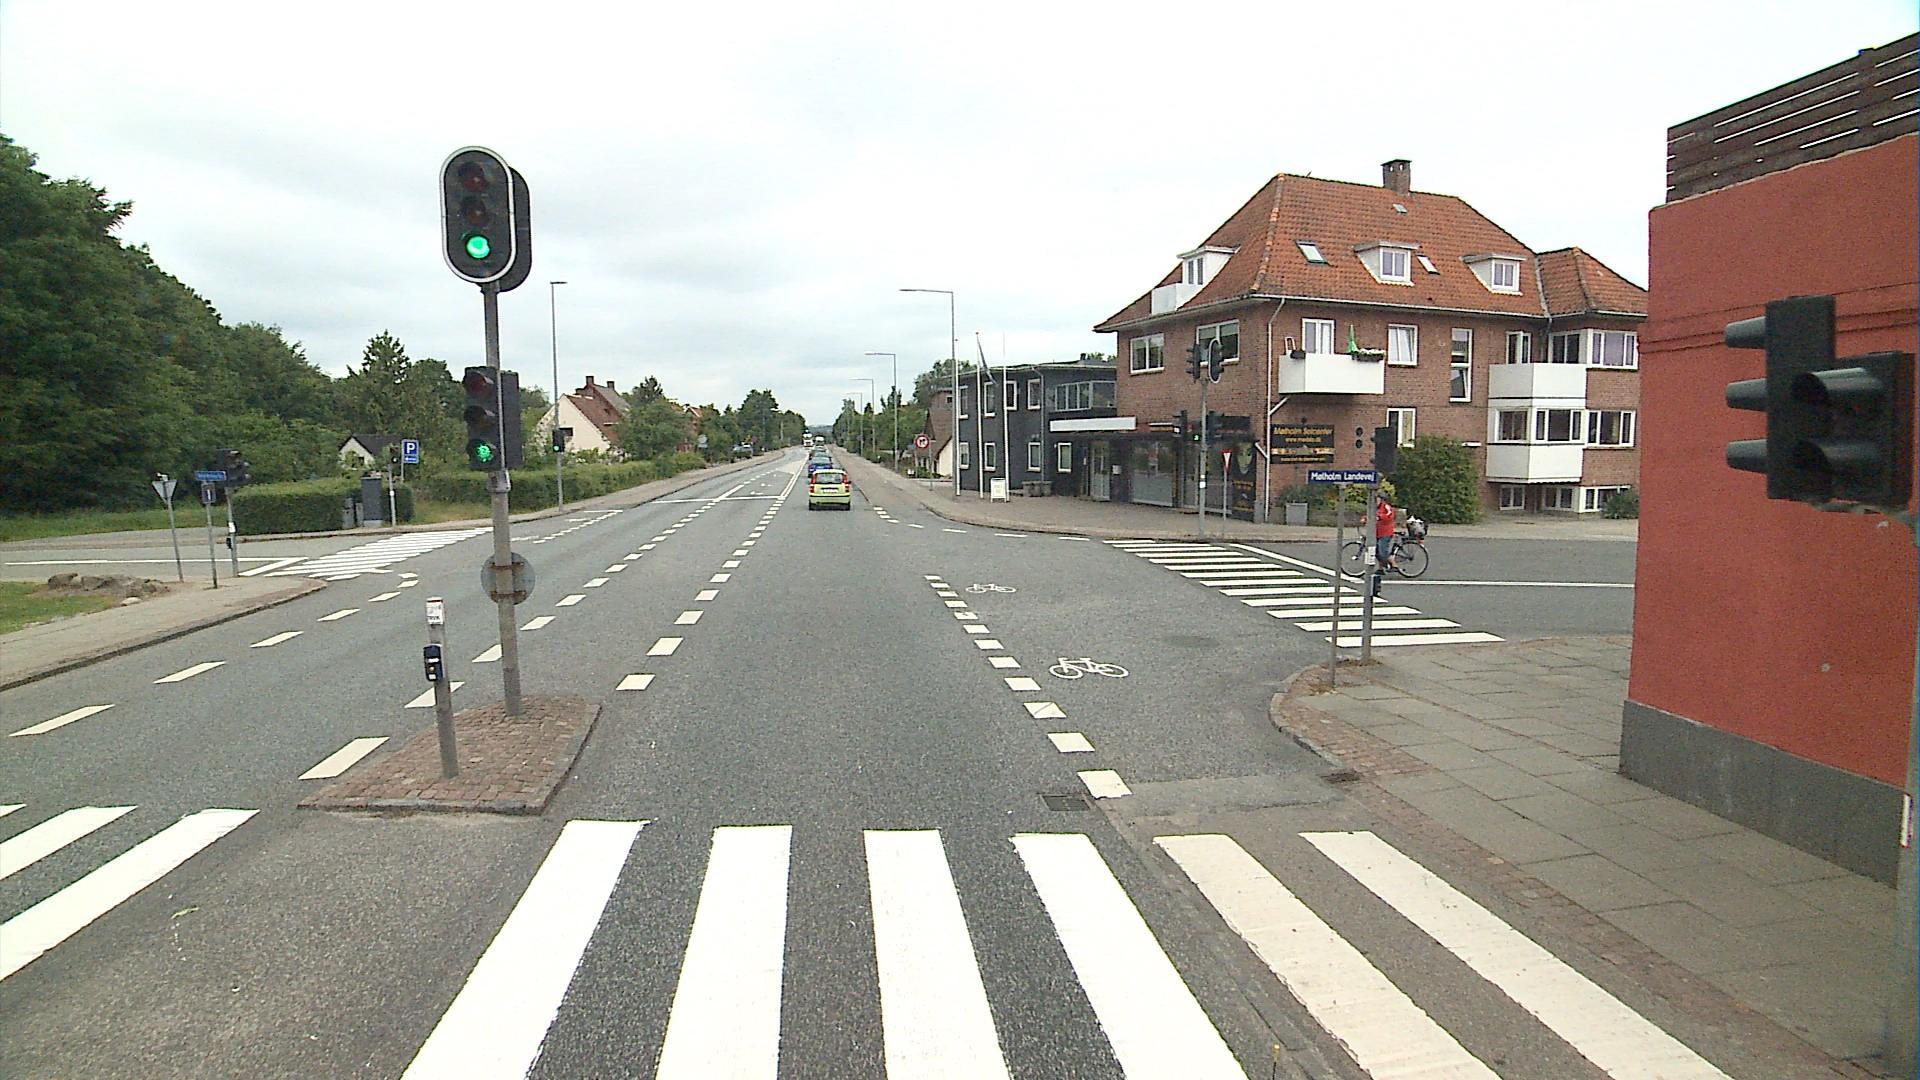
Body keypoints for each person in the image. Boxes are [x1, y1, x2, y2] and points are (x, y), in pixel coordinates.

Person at [1372, 496, 1396, 599]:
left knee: (1382, 551)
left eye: (1377, 499)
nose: (1375, 501)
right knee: (1375, 551)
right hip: (1377, 532)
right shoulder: (1373, 508)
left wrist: (1380, 517)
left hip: (1386, 533)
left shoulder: (1386, 507)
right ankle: (1381, 568)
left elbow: (1389, 516)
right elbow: (1369, 515)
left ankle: (1393, 563)